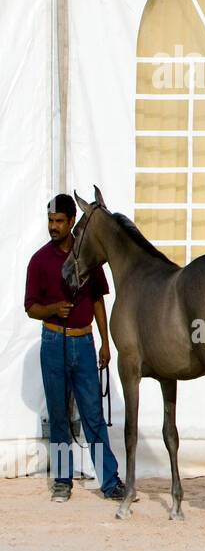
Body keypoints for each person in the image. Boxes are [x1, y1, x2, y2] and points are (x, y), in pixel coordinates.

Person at [24, 194, 125, 502]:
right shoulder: (39, 260)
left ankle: (109, 482)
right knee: (58, 415)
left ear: (71, 222)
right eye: (50, 221)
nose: (53, 227)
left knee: (93, 414)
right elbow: (30, 308)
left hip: (84, 341)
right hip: (53, 341)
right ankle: (62, 481)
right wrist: (53, 307)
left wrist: (106, 342)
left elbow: (98, 300)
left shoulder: (88, 257)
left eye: (59, 222)